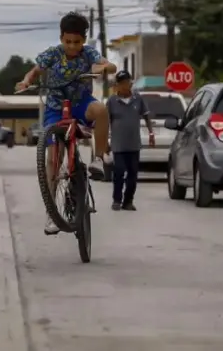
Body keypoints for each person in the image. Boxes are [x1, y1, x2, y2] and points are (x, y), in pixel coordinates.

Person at [15, 12, 117, 235]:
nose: (72, 46)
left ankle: (99, 159)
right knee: (54, 158)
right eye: (68, 41)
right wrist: (26, 81)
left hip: (81, 103)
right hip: (55, 108)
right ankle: (52, 213)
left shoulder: (89, 53)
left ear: (84, 40)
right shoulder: (53, 54)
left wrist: (103, 67)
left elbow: (111, 67)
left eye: (77, 42)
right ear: (61, 38)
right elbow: (35, 71)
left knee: (100, 110)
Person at [106, 71, 154, 211]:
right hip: (118, 145)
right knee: (119, 172)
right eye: (122, 83)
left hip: (134, 144)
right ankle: (116, 200)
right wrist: (106, 141)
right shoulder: (112, 102)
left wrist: (151, 132)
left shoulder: (138, 99)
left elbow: (146, 116)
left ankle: (128, 201)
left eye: (127, 82)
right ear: (117, 85)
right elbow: (106, 122)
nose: (125, 85)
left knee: (133, 174)